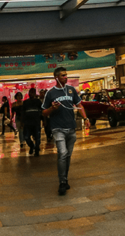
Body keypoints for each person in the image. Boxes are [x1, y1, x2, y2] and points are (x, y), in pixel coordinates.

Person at [42, 67, 82, 196]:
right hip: (57, 128)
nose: (66, 77)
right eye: (63, 75)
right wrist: (52, 109)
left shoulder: (71, 90)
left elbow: (79, 105)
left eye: (66, 75)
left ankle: (65, 178)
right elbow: (44, 112)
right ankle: (62, 182)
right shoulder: (51, 93)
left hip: (71, 128)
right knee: (63, 153)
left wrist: (86, 118)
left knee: (68, 156)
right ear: (57, 77)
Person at [19, 88, 43, 155]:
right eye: (30, 92)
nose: (31, 94)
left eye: (33, 92)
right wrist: (22, 122)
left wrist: (44, 120)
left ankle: (37, 150)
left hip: (36, 123)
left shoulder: (38, 102)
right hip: (27, 123)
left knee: (37, 137)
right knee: (26, 137)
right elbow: (23, 113)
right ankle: (32, 146)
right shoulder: (25, 102)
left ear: (35, 94)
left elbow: (42, 111)